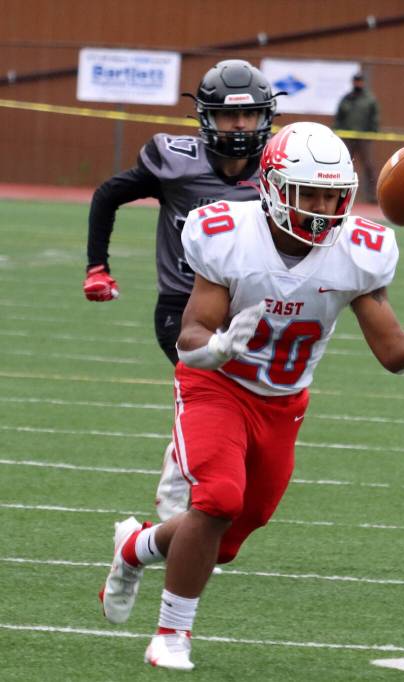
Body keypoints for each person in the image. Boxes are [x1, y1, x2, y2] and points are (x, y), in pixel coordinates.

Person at [97, 122, 404, 670]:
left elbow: (391, 352)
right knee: (218, 500)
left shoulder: (357, 250)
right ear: (271, 188)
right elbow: (191, 334)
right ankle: (171, 635)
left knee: (222, 538)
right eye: (309, 194)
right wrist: (219, 346)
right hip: (216, 387)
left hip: (283, 403)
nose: (322, 208)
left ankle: (136, 547)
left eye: (332, 195)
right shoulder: (227, 231)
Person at [83, 59, 277, 522]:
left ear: (265, 116)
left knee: (246, 404)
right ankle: (178, 488)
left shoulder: (275, 171)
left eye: (248, 114)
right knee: (215, 387)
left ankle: (191, 482)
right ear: (206, 117)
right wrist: (97, 266)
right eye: (229, 114)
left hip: (246, 310)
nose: (239, 124)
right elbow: (108, 193)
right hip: (182, 309)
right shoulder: (176, 162)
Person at [334, 72, 379, 202]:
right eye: (356, 81)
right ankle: (341, 194)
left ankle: (372, 196)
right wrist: (337, 132)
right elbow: (339, 118)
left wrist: (372, 132)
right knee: (344, 165)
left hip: (364, 137)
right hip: (348, 137)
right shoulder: (347, 98)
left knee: (369, 166)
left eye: (360, 81)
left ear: (363, 82)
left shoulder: (369, 99)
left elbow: (374, 118)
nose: (358, 83)